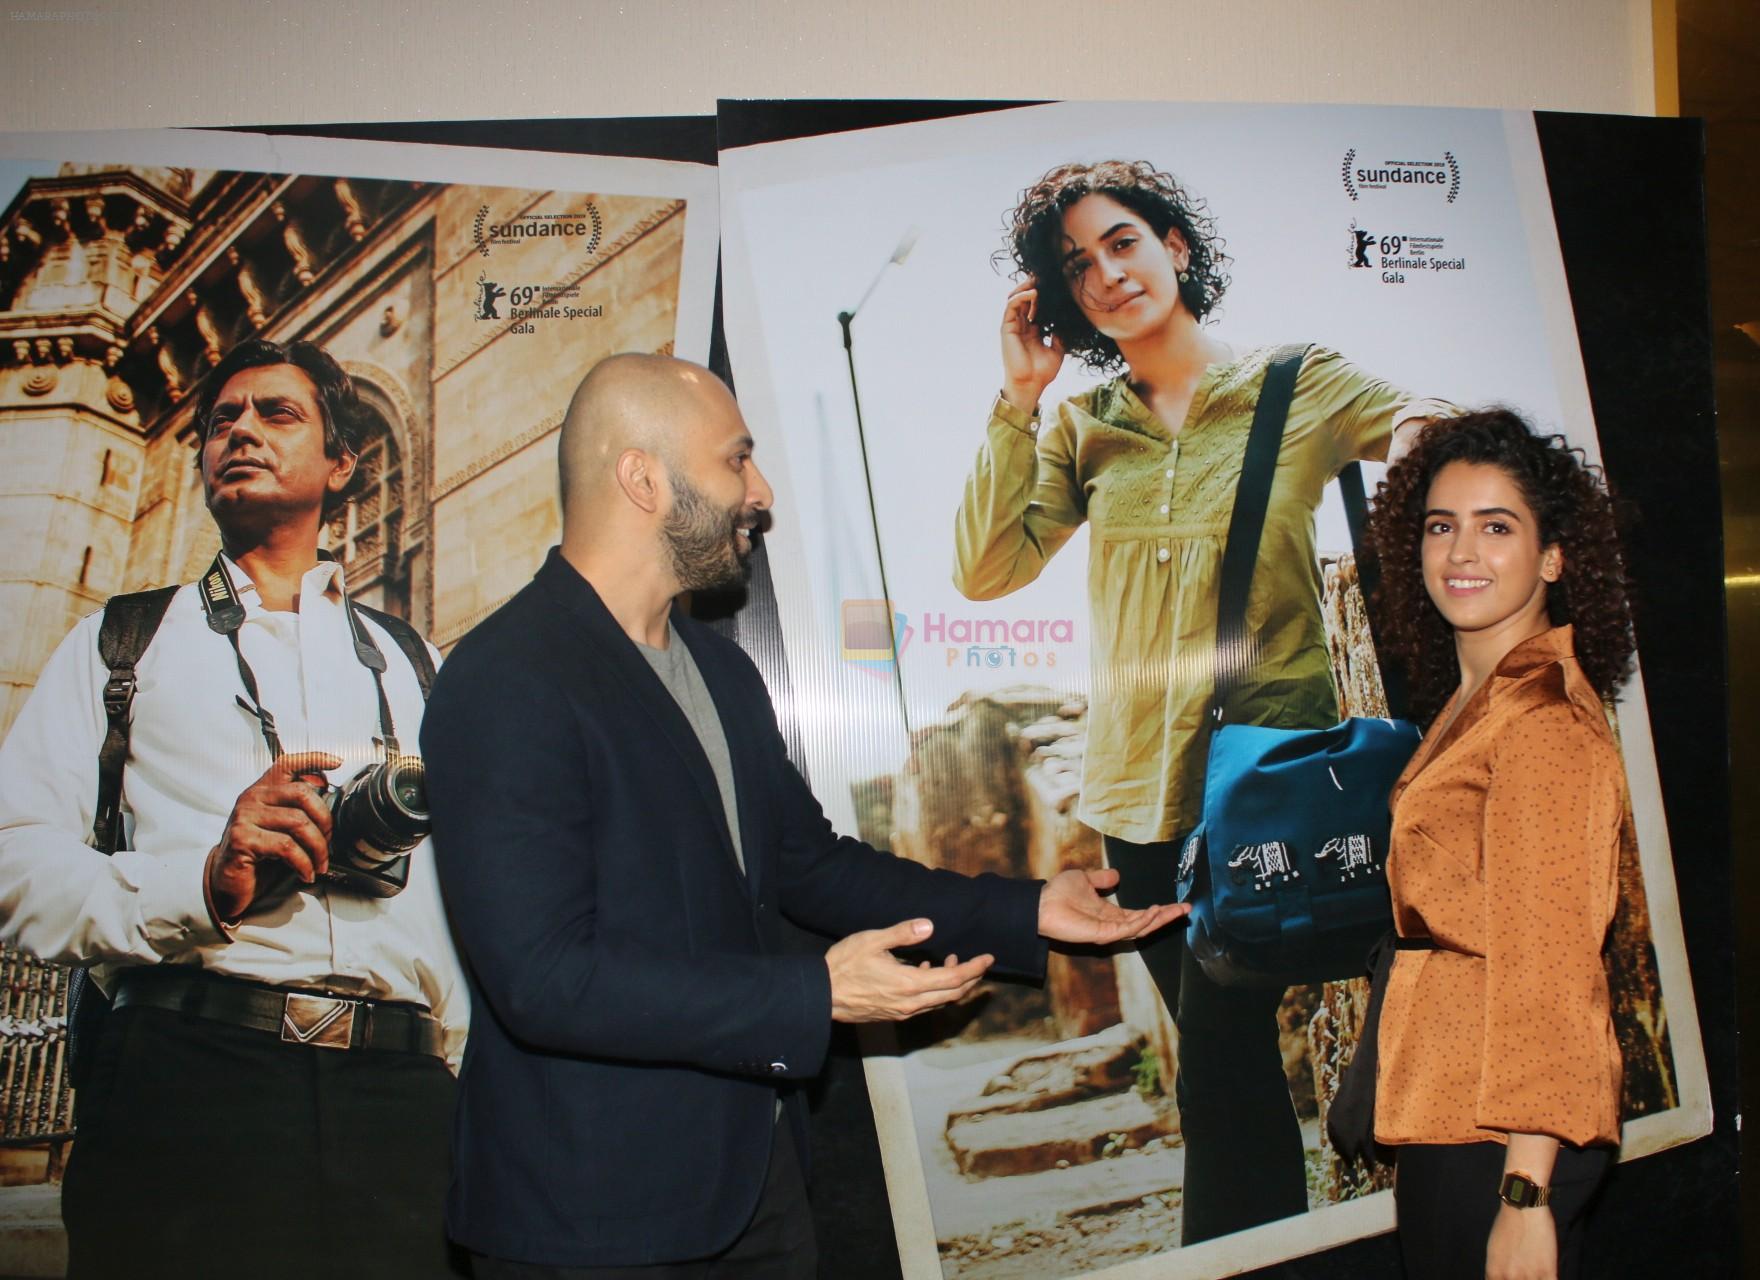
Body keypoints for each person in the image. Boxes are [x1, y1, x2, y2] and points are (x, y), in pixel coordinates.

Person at [420, 353, 1187, 1279]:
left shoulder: (719, 670)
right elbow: (543, 978)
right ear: (643, 478)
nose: (762, 491)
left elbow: (811, 865)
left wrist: (1024, 909)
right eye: (736, 459)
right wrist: (811, 995)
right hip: (594, 1224)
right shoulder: (504, 679)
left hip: (761, 1192)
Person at [952, 158, 1454, 1242]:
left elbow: (1423, 426)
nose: (1108, 274)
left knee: (1224, 1066)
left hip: (1275, 789)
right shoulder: (1085, 425)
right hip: (1143, 807)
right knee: (1224, 1067)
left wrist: (1425, 441)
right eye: (1078, 266)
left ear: (1176, 245)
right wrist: (1018, 397)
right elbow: (987, 569)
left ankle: (1253, 1247)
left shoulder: (1295, 379)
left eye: (1123, 241)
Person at [0, 338, 469, 1278]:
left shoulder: (419, 663)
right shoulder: (124, 641)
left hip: (405, 1106)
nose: (240, 431)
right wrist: (203, 881)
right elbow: (15, 866)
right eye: (222, 420)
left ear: (343, 463)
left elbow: (470, 894)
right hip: (187, 1086)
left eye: (276, 414)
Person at [1361, 410, 1636, 1279]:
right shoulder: (1483, 698)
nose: (1462, 553)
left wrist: (1525, 1199)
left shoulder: (1542, 725)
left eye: (1496, 526)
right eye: (1442, 526)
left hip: (1504, 1133)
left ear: (1554, 557)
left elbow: (1555, 971)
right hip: (1456, 1101)